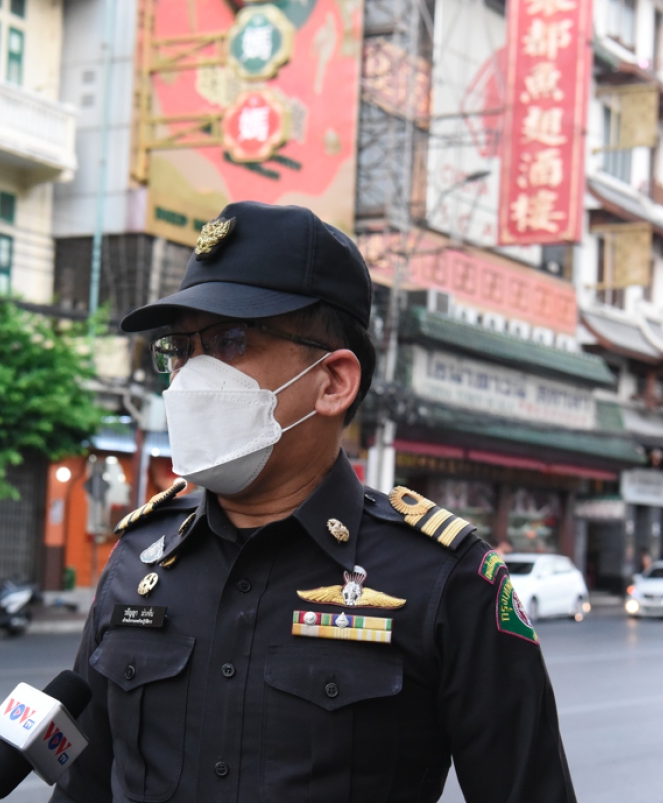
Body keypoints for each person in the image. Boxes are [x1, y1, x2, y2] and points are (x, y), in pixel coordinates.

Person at [51, 202, 576, 803]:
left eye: (229, 341)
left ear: (333, 382)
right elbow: (81, 788)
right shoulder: (139, 559)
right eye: (179, 348)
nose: (190, 376)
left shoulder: (446, 581)